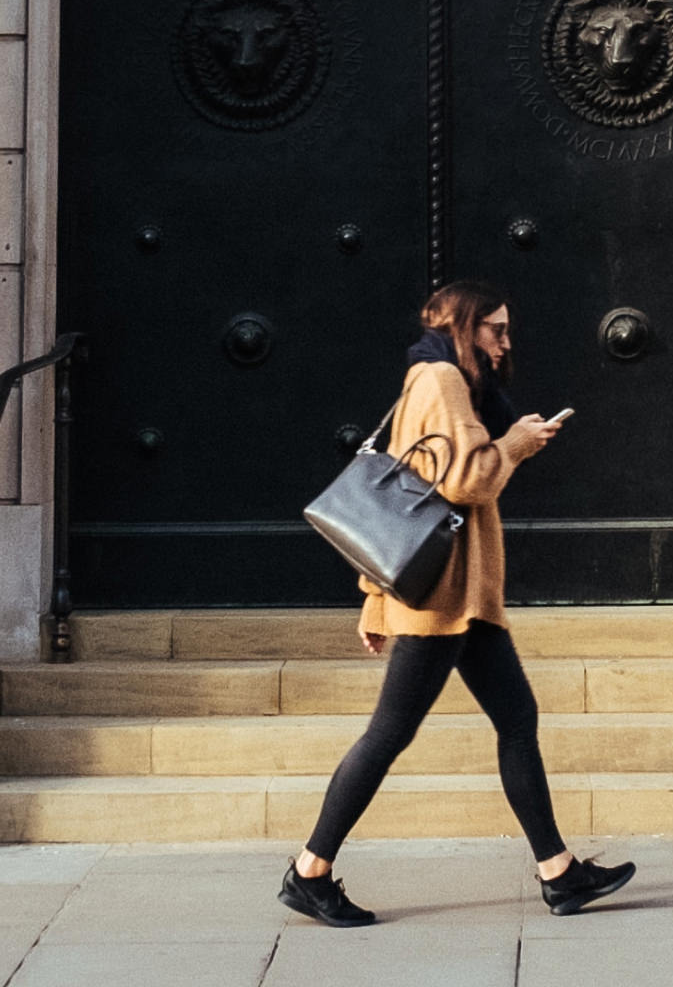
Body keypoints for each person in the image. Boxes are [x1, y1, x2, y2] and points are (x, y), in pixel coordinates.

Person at [276, 280, 635, 927]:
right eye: (494, 329)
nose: (503, 342)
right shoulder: (440, 380)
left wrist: (370, 599)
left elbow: (393, 490)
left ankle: (557, 872)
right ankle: (310, 870)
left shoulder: (435, 380)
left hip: (458, 599)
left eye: (506, 330)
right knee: (388, 734)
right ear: (464, 327)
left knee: (515, 716)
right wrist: (517, 444)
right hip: (440, 600)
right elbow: (464, 480)